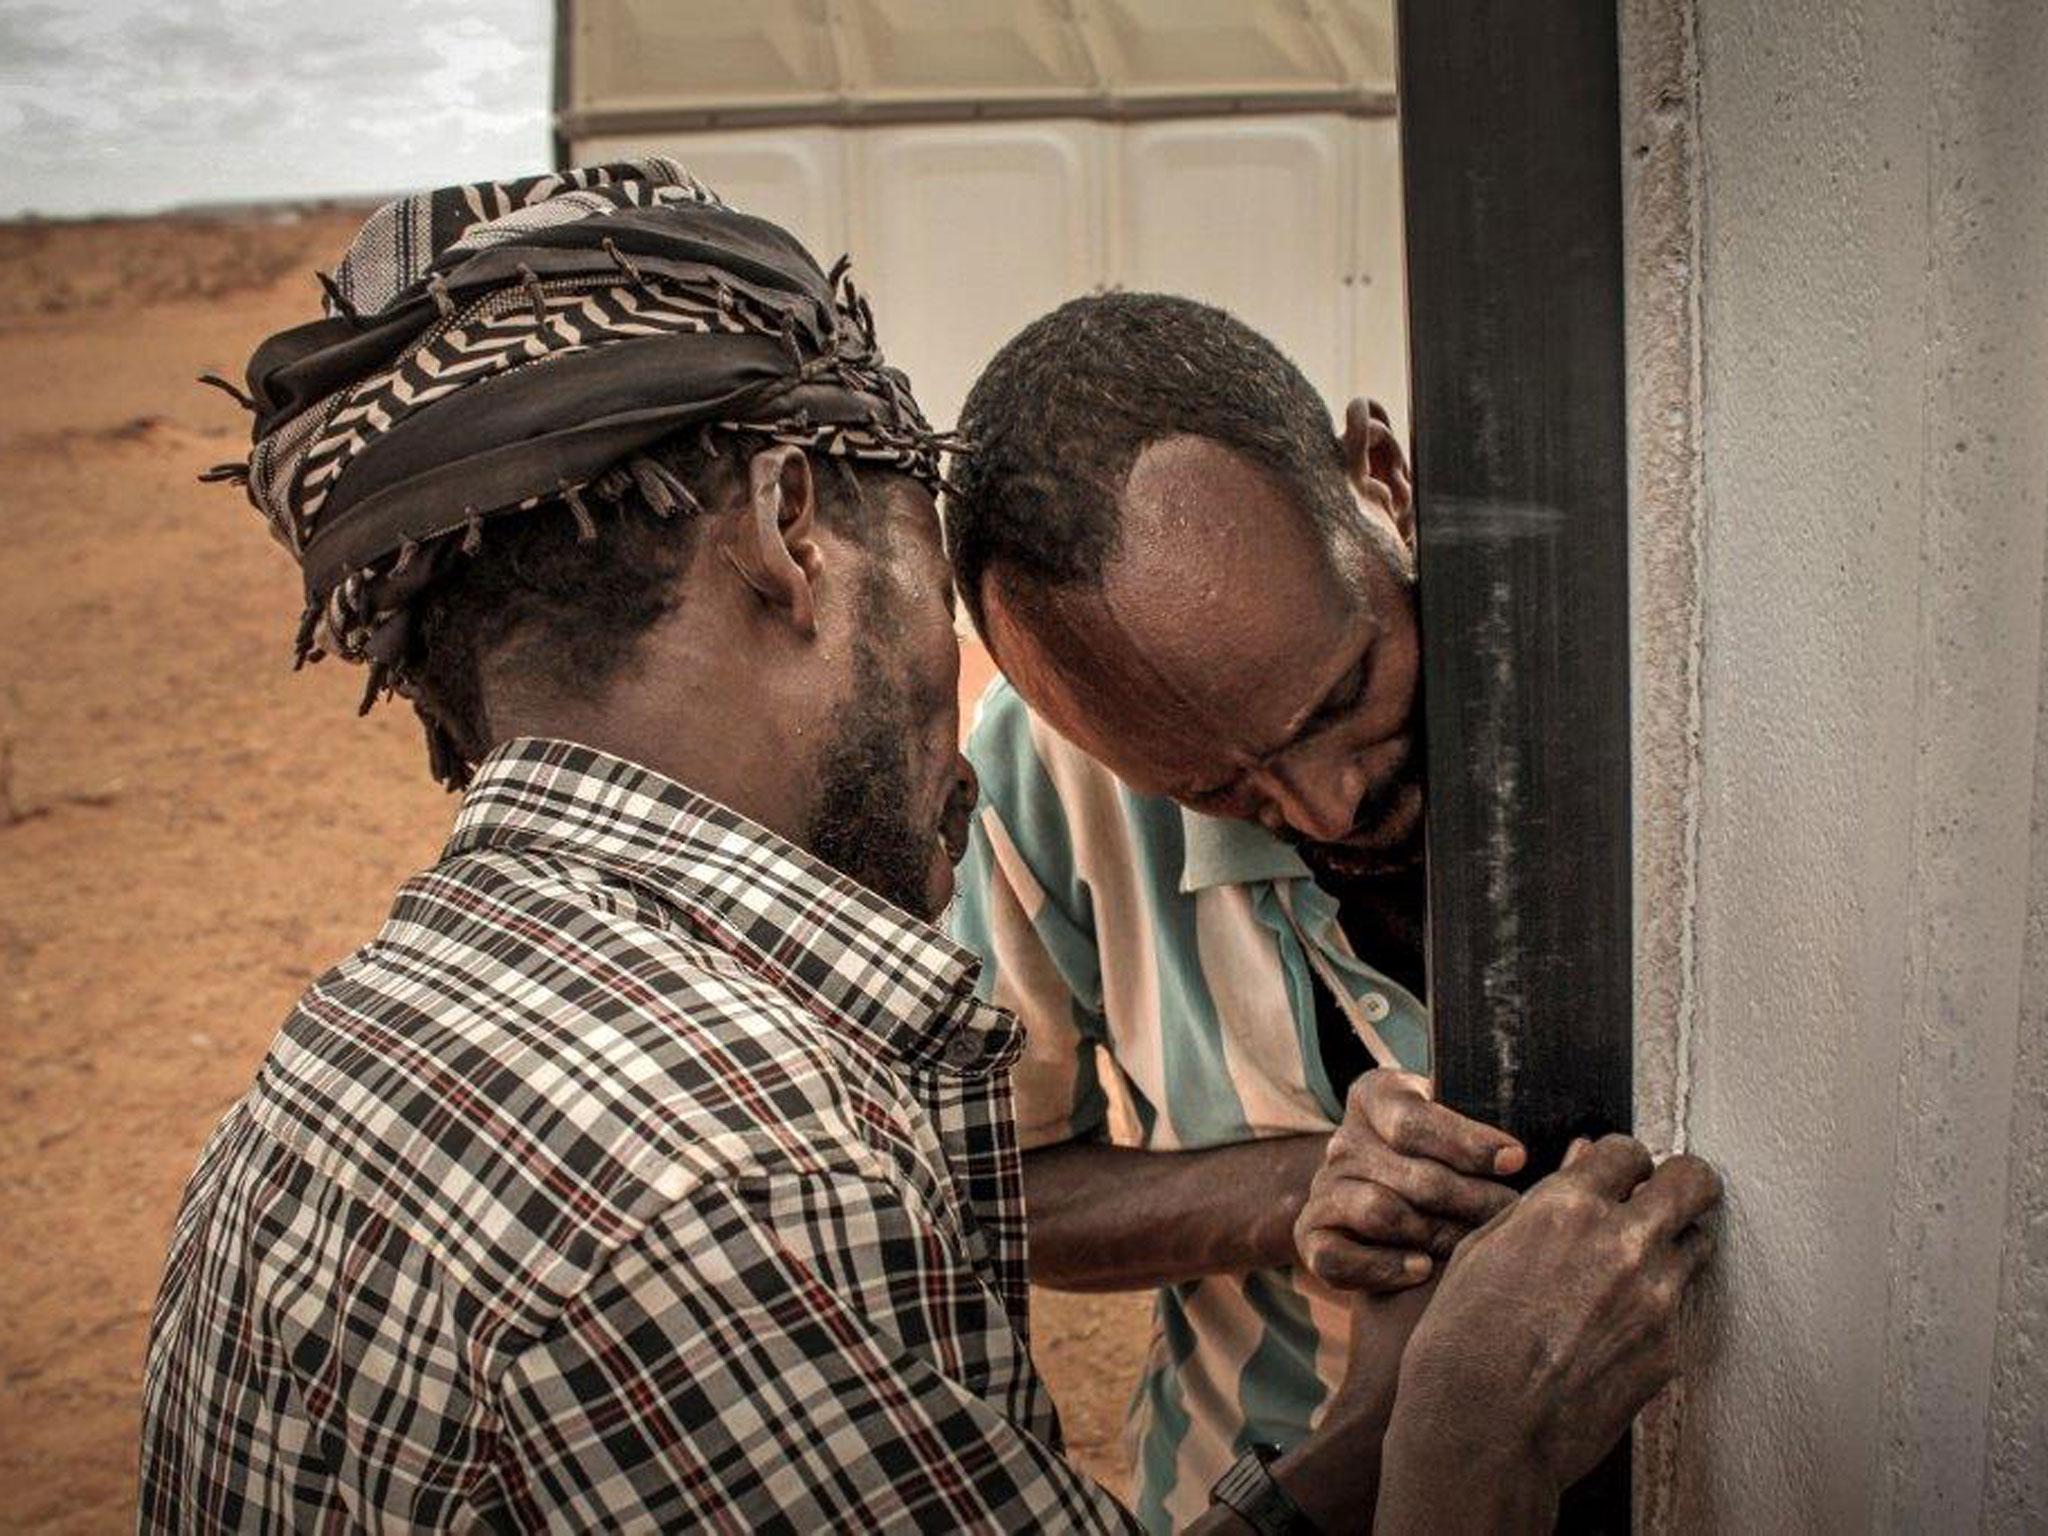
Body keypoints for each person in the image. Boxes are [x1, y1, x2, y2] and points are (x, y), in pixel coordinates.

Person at [142, 162, 1719, 1533]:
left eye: (1344, 702)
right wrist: (1462, 1448)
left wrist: (1376, 1442)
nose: (1315, 811)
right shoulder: (728, 1202)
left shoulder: (333, 1067)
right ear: (790, 528)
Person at [943, 292, 1592, 1527]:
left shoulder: (1612, 655)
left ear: (1380, 480)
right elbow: (987, 1186)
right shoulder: (1035, 779)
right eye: (1212, 789)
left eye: (1343, 692)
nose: (1327, 806)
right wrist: (1298, 1190)